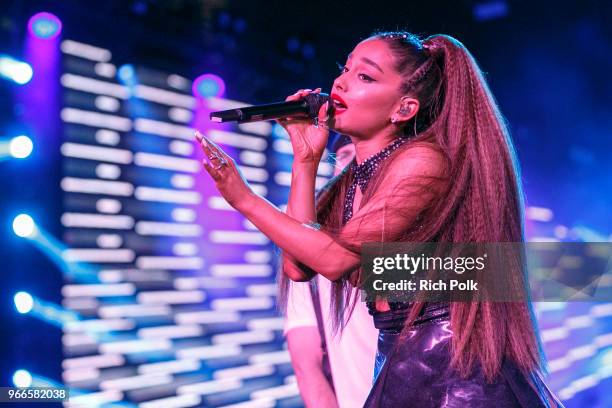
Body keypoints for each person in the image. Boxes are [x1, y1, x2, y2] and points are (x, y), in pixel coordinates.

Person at [195, 30, 564, 407]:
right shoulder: (357, 177)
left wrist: (244, 199)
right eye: (346, 68)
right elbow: (298, 267)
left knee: (582, 271)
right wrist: (304, 162)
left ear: (403, 109)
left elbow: (336, 260)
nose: (340, 81)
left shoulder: (422, 161)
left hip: (453, 372)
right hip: (402, 358)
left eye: (365, 76)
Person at [283, 134, 378, 408]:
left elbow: (498, 276)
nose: (357, 166)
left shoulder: (431, 238)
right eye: (346, 157)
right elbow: (307, 366)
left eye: (371, 153)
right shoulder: (308, 253)